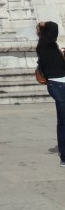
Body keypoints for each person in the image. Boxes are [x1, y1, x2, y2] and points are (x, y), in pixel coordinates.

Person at [35, 21, 65, 168]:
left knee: (62, 121)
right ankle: (64, 157)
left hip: (58, 84)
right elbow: (53, 26)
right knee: (63, 121)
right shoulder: (45, 45)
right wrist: (43, 23)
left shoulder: (49, 46)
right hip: (58, 85)